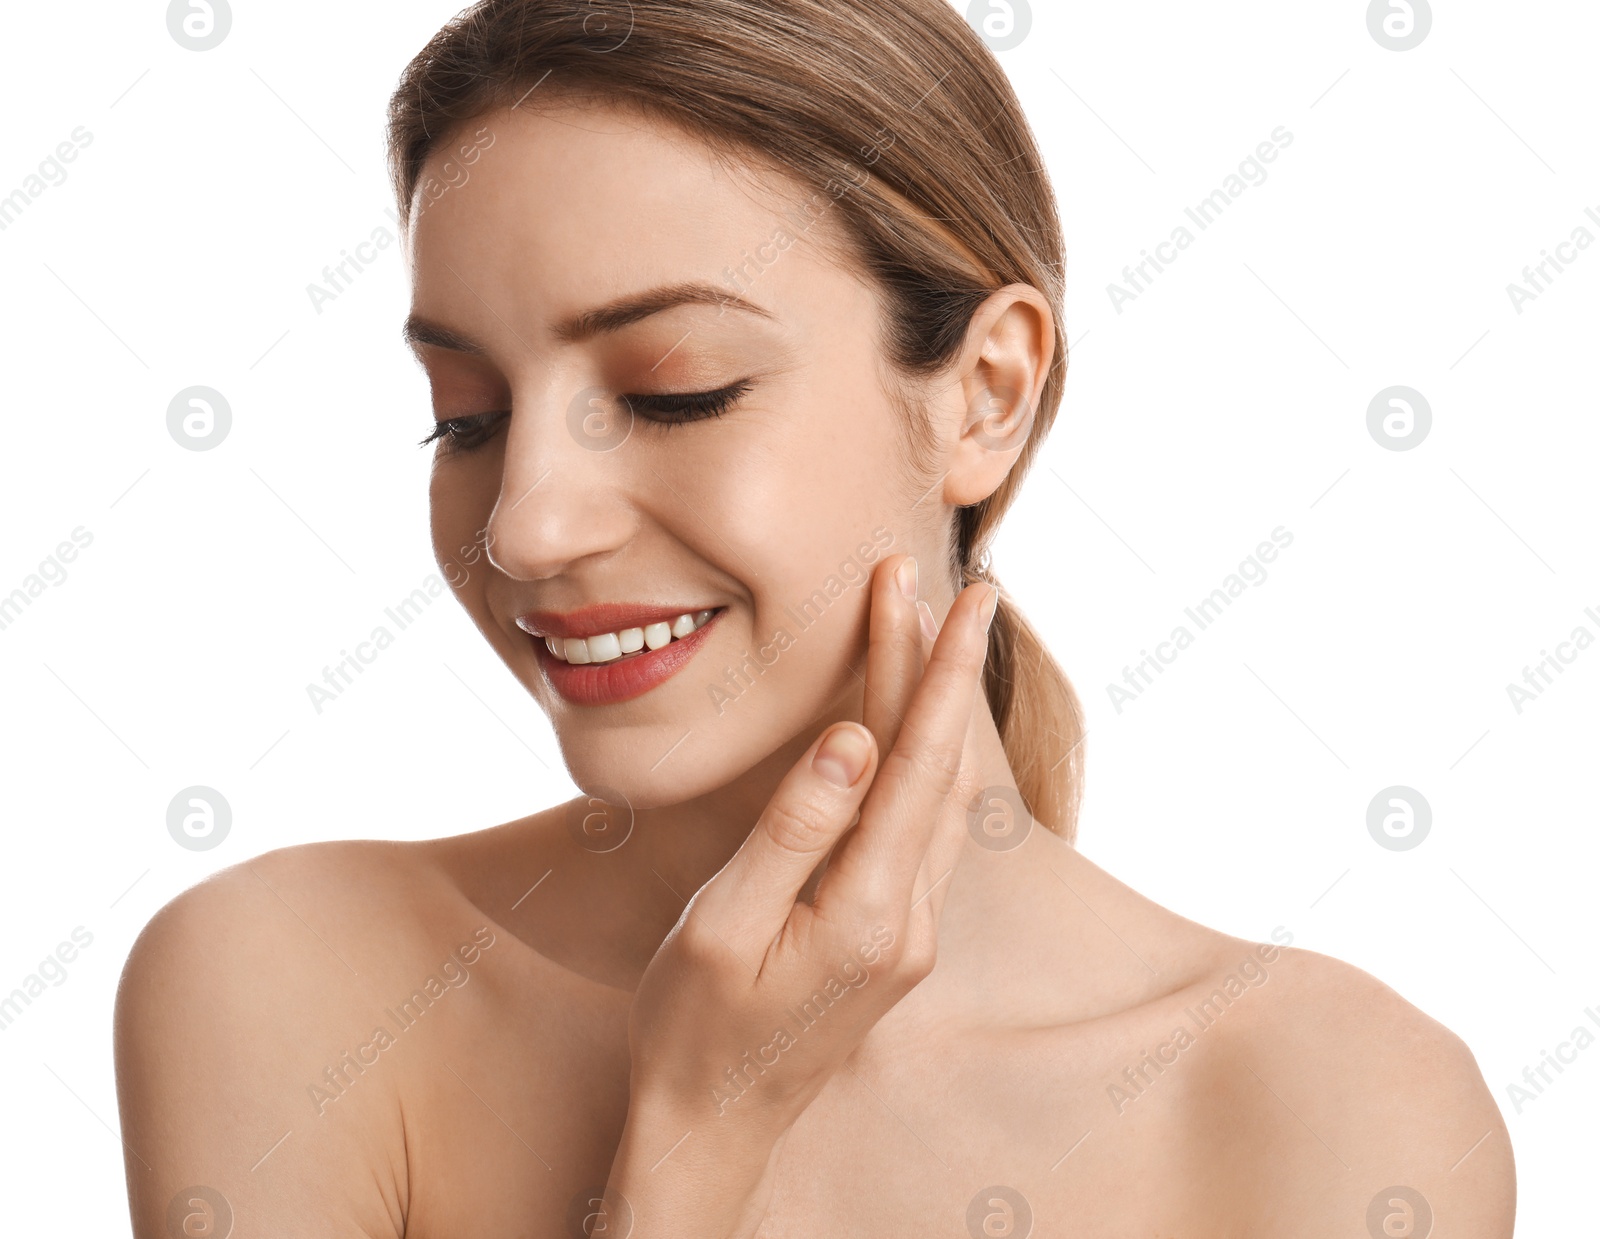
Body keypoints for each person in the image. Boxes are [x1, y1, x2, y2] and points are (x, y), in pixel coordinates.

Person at [114, 2, 1514, 1235]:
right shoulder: (291, 992)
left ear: (986, 395)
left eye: (676, 392)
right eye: (465, 419)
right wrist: (692, 1143)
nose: (526, 524)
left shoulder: (1334, 1109)